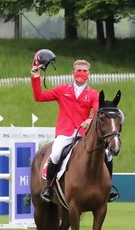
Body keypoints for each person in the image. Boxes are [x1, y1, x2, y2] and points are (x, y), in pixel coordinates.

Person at [31, 59, 118, 202]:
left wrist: (90, 119)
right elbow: (39, 97)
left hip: (84, 135)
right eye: (78, 70)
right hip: (65, 132)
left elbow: (98, 110)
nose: (81, 73)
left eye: (84, 71)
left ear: (89, 74)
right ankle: (49, 188)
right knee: (56, 153)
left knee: (107, 154)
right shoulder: (62, 89)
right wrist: (36, 77)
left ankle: (108, 188)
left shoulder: (94, 94)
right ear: (73, 72)